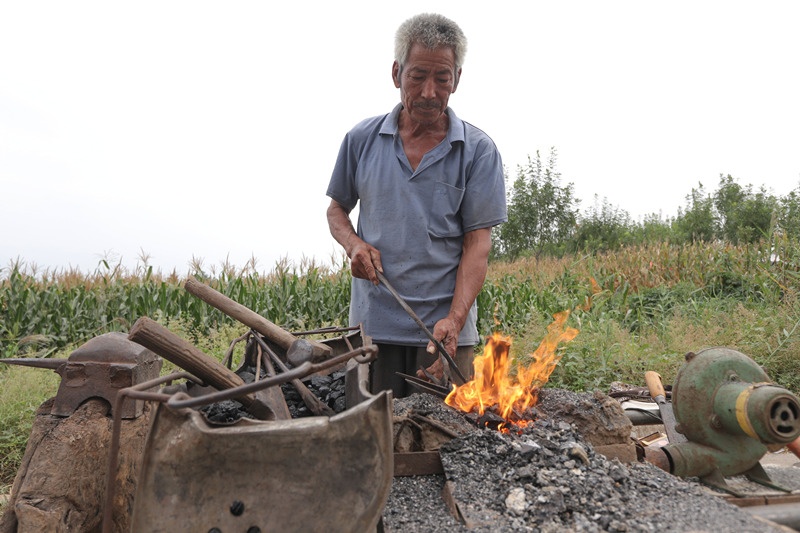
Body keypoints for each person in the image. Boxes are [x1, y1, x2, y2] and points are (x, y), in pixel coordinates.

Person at [326, 13, 507, 398]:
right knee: (376, 442)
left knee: (447, 446)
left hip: (443, 336)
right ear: (396, 73)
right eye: (417, 76)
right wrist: (353, 245)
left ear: (457, 79)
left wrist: (455, 321)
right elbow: (336, 210)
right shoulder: (361, 140)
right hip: (372, 332)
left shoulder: (477, 151)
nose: (429, 92)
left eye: (442, 78)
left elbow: (478, 245)